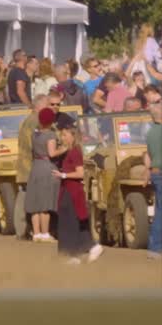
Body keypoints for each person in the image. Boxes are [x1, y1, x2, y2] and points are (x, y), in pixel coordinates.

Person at [53, 114, 103, 263]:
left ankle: (73, 254)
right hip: (68, 190)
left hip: (72, 191)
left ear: (72, 136)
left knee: (69, 222)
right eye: (62, 135)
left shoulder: (75, 151)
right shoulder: (70, 151)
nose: (62, 138)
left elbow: (80, 172)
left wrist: (63, 175)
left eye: (65, 135)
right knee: (71, 221)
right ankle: (89, 247)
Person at [25, 107, 61, 242]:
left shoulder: (35, 134)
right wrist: (63, 149)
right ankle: (45, 233)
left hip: (36, 167)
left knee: (35, 203)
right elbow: (51, 153)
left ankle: (36, 233)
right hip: (47, 167)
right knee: (45, 204)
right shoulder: (50, 135)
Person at [143, 88, 162, 259]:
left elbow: (148, 155)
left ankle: (156, 245)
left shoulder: (150, 132)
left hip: (156, 173)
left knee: (160, 209)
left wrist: (147, 171)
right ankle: (157, 246)